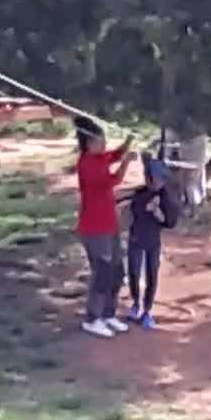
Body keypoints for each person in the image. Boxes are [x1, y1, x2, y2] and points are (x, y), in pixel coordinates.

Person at [73, 116, 135, 338]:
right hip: (95, 229)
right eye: (101, 141)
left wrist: (127, 143)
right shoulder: (87, 165)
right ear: (89, 143)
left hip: (110, 225)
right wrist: (126, 162)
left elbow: (113, 155)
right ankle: (92, 319)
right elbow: (113, 181)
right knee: (103, 273)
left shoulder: (98, 157)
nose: (105, 144)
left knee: (117, 270)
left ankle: (108, 314)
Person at [124, 155, 180, 330]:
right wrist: (146, 207)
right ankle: (135, 303)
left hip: (153, 242)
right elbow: (133, 213)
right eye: (155, 178)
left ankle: (147, 311)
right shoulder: (140, 194)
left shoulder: (167, 197)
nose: (158, 182)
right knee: (134, 272)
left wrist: (158, 213)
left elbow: (170, 222)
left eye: (161, 178)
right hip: (136, 239)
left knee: (151, 275)